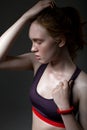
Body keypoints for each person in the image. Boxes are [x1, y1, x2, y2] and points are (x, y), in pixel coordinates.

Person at [0, 0, 87, 130]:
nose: (32, 48)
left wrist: (65, 109)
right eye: (32, 41)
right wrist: (26, 16)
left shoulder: (82, 85)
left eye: (38, 42)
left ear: (60, 41)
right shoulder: (37, 63)